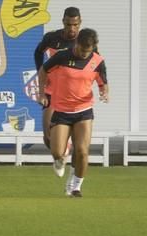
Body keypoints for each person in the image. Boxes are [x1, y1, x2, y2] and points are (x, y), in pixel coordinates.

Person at [37, 28, 108, 198]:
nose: (84, 53)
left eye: (88, 51)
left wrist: (104, 91)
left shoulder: (97, 61)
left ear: (93, 47)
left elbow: (103, 81)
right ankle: (62, 155)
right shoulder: (62, 56)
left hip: (84, 110)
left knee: (83, 151)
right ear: (77, 44)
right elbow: (43, 71)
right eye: (82, 49)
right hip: (61, 110)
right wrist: (41, 93)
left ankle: (74, 186)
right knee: (57, 152)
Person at [34, 7, 81, 149]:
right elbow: (38, 53)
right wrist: (41, 72)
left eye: (75, 25)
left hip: (73, 93)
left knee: (78, 140)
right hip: (52, 90)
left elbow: (97, 62)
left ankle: (71, 164)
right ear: (63, 22)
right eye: (68, 24)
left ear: (80, 23)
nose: (72, 28)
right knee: (48, 136)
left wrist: (101, 84)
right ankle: (60, 153)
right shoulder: (52, 37)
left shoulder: (84, 40)